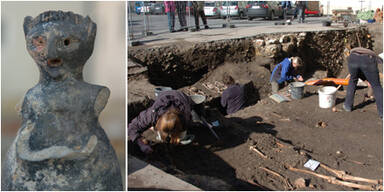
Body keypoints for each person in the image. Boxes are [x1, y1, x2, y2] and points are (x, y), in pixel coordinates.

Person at [128, 90, 195, 154]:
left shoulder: (185, 117)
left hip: (182, 97)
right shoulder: (152, 114)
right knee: (162, 136)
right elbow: (132, 127)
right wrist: (141, 144)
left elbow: (186, 124)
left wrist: (177, 138)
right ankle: (158, 131)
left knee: (182, 136)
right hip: (164, 96)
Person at [343, 47, 383, 118]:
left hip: (352, 58)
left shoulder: (367, 52)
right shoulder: (375, 57)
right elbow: (371, 74)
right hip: (367, 59)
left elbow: (362, 74)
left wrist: (365, 79)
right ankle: (382, 113)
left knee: (352, 80)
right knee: (376, 86)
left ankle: (347, 106)